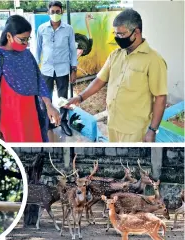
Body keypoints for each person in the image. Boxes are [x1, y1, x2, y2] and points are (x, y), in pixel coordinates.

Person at [65, 9, 167, 143]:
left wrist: (152, 130)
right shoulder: (115, 55)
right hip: (113, 123)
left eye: (121, 34)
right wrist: (80, 97)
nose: (117, 38)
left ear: (136, 32)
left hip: (135, 130)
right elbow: (100, 80)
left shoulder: (154, 60)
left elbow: (161, 97)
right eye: (115, 33)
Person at [0, 15, 60, 143]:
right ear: (8, 36)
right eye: (22, 39)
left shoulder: (27, 54)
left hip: (34, 117)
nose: (26, 43)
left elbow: (40, 82)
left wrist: (49, 105)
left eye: (28, 39)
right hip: (11, 123)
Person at [36, 1, 78, 140]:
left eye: (57, 11)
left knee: (62, 98)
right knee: (45, 97)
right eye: (52, 11)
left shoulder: (68, 29)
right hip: (46, 69)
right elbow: (38, 49)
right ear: (48, 12)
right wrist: (36, 68)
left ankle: (63, 121)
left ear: (62, 12)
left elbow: (72, 50)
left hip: (63, 69)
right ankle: (48, 123)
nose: (55, 14)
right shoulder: (42, 29)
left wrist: (73, 69)